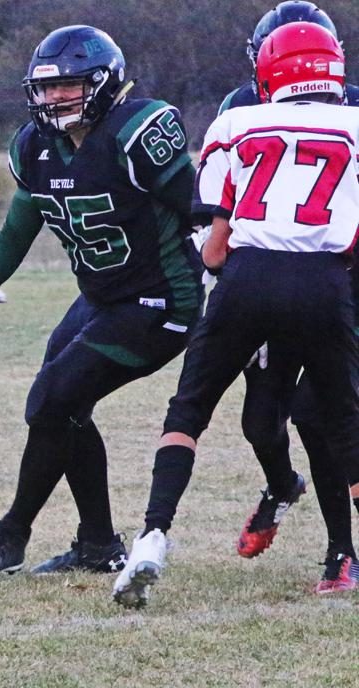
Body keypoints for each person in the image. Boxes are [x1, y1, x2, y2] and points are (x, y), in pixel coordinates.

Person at [113, 22, 359, 609]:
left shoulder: (236, 121)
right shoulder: (353, 124)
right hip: (328, 285)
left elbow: (214, 242)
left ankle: (153, 535)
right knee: (337, 425)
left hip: (247, 280)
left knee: (191, 408)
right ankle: (319, 526)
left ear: (269, 69)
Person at [0, 25, 202, 580]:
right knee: (62, 405)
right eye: (47, 88)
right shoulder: (35, 145)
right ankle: (96, 545)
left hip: (163, 300)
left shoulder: (136, 129)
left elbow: (199, 205)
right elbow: (21, 222)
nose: (55, 98)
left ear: (105, 83)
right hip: (104, 297)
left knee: (50, 399)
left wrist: (223, 266)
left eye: (69, 86)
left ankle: (12, 535)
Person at [210, 2, 359, 589]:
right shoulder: (240, 111)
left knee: (319, 414)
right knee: (259, 420)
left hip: (339, 284)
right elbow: (221, 205)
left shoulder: (351, 109)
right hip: (269, 282)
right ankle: (280, 487)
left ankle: (341, 552)